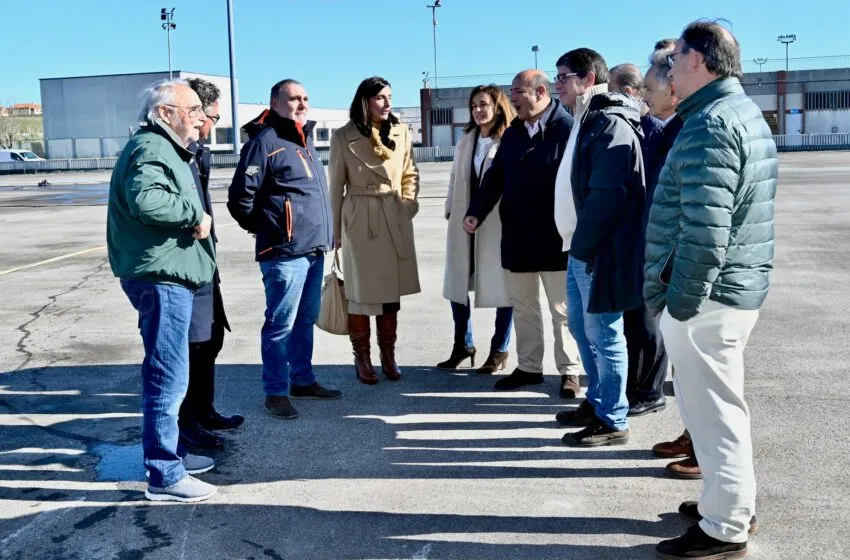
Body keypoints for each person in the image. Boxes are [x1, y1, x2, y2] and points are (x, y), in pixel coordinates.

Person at [645, 21, 777, 558]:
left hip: (707, 299)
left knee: (713, 412)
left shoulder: (710, 125)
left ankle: (724, 526)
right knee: (720, 408)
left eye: (676, 57)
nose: (670, 68)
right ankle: (729, 500)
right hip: (727, 292)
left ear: (699, 60)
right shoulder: (734, 112)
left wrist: (679, 303)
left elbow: (705, 231)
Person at [107, 79, 217, 502]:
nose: (200, 117)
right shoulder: (153, 147)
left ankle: (171, 455)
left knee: (171, 372)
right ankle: (165, 475)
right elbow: (147, 201)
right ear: (166, 113)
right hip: (161, 276)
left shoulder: (160, 147)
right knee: (167, 375)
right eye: (192, 109)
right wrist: (195, 211)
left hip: (165, 273)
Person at [464, 70, 583, 396]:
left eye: (517, 91)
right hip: (517, 237)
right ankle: (529, 368)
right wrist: (476, 211)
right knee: (524, 307)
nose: (511, 96)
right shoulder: (514, 133)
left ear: (540, 92)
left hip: (556, 239)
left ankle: (570, 371)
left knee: (562, 311)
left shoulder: (568, 129)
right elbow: (495, 178)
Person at [228, 79, 341, 420]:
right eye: (293, 98)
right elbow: (239, 198)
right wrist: (267, 229)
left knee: (305, 320)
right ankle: (275, 392)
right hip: (284, 253)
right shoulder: (265, 143)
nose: (301, 103)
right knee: (280, 324)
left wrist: (329, 232)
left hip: (314, 250)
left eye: (305, 97)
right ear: (275, 103)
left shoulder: (303, 140)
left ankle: (302, 380)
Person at [551, 48, 646, 447]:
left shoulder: (608, 122)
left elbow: (607, 195)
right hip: (579, 248)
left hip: (597, 251)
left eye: (563, 77)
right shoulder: (584, 119)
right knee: (581, 328)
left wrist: (584, 248)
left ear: (588, 79)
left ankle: (613, 418)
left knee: (604, 333)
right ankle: (597, 400)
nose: (557, 84)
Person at [328, 77, 421, 385]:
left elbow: (410, 173)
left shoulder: (401, 131)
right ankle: (362, 357)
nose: (387, 103)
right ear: (365, 101)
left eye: (390, 97)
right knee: (359, 294)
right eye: (380, 97)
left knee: (390, 293)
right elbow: (335, 186)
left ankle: (388, 355)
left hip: (393, 215)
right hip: (360, 220)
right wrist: (336, 230)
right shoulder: (343, 136)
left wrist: (407, 205)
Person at [177, 77, 244, 451]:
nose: (213, 125)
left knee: (212, 338)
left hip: (206, 261)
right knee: (191, 346)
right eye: (213, 117)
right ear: (196, 112)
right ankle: (187, 424)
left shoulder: (197, 152)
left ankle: (204, 410)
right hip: (187, 266)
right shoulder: (179, 153)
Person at [439, 85, 515, 374]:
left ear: (497, 106)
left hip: (496, 223)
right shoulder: (466, 139)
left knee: (503, 289)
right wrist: (450, 208)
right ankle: (463, 344)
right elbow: (454, 177)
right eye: (474, 106)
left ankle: (499, 350)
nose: (478, 110)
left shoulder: (508, 138)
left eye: (484, 104)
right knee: (456, 286)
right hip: (462, 222)